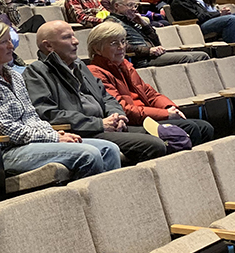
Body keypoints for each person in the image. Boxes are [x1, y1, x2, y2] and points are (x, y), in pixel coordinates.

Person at [0, 19, 120, 178]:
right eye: (4, 42)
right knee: (88, 155)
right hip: (5, 151)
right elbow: (3, 130)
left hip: (30, 143)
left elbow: (32, 116)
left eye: (10, 41)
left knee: (109, 149)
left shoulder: (14, 77)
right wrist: (53, 138)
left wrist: (52, 133)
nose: (11, 46)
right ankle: (84, 206)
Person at [24, 20, 168, 164]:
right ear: (48, 45)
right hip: (83, 132)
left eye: (73, 36)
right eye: (67, 37)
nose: (75, 41)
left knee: (168, 134)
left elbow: (106, 97)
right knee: (154, 145)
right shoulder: (36, 72)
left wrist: (116, 115)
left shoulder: (79, 65)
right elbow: (48, 115)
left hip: (105, 126)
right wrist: (99, 124)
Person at [87, 21, 213, 145]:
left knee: (205, 127)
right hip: (132, 122)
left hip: (146, 116)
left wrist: (168, 107)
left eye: (123, 41)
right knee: (190, 127)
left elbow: (149, 93)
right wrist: (165, 115)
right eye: (114, 43)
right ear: (97, 49)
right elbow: (123, 109)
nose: (121, 47)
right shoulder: (95, 72)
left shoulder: (124, 64)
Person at [108, 0, 208, 67]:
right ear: (117, 6)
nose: (134, 9)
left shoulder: (134, 21)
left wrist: (144, 24)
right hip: (142, 59)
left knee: (202, 56)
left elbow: (156, 40)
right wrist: (148, 50)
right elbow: (121, 46)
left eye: (135, 5)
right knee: (187, 58)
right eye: (130, 5)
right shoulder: (112, 22)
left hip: (153, 55)